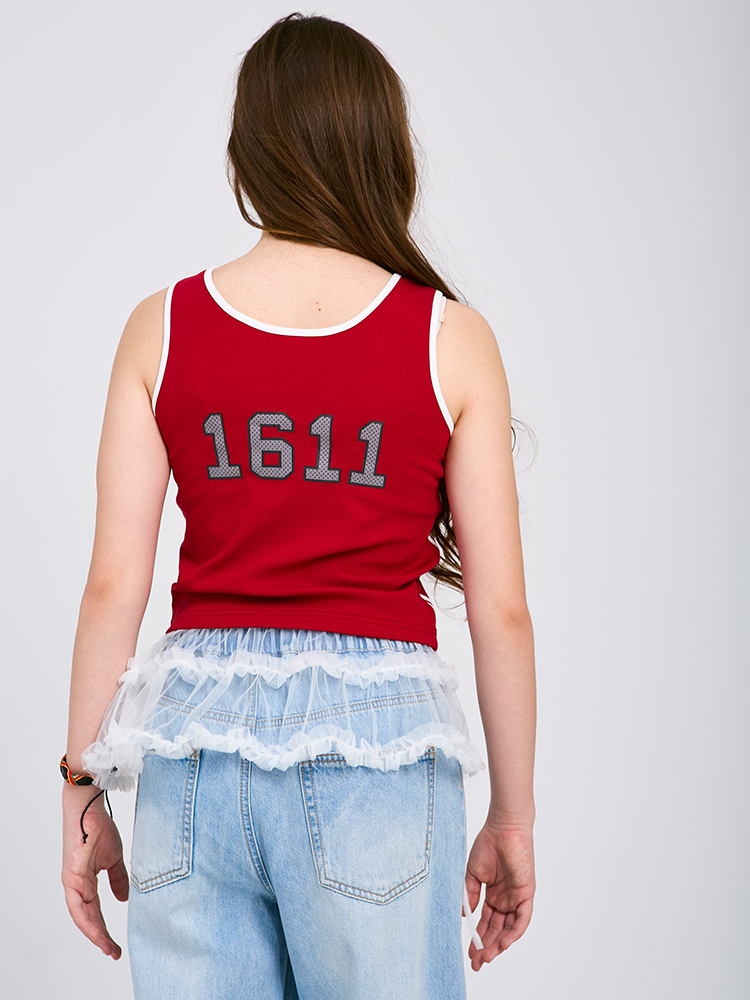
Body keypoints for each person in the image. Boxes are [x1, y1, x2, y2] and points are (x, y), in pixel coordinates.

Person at [61, 13, 536, 1000]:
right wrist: (513, 817)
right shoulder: (449, 339)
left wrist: (83, 792)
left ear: (247, 153)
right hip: (376, 755)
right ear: (383, 148)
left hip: (195, 750)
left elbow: (114, 584)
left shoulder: (163, 327)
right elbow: (500, 609)